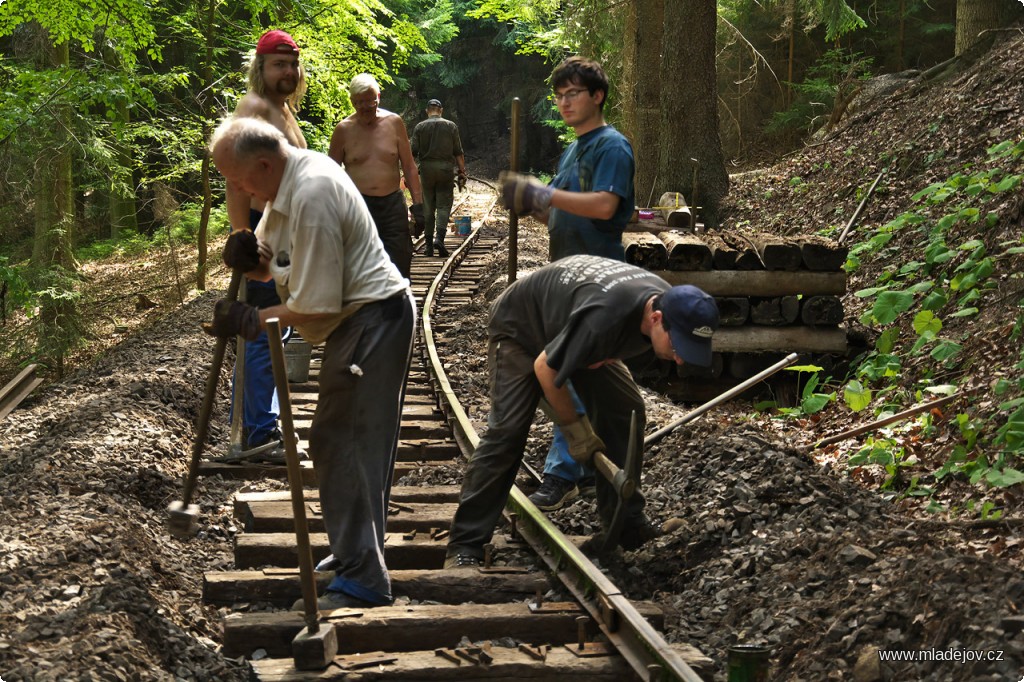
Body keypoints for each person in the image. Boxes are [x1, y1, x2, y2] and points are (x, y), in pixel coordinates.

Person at [208, 116, 415, 609]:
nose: (237, 189)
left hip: (373, 320)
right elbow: (281, 265)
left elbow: (315, 304)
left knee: (346, 441)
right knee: (341, 439)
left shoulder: (313, 192)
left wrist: (250, 319)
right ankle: (356, 552)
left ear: (262, 164)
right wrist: (244, 255)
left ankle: (364, 576)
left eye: (238, 180)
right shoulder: (287, 187)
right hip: (358, 320)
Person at [443, 255, 719, 568]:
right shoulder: (606, 317)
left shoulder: (669, 304)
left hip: (572, 327)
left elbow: (599, 342)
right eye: (678, 346)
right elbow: (546, 367)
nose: (681, 359)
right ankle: (465, 544)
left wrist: (596, 358)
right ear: (656, 318)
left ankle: (627, 525)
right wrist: (578, 433)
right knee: (508, 431)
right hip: (521, 330)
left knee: (626, 409)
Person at [500, 56, 636, 511]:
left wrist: (544, 192)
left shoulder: (611, 146)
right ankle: (582, 468)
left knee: (568, 369)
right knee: (569, 372)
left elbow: (602, 206)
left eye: (573, 94)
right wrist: (531, 203)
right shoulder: (574, 148)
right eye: (559, 96)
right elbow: (560, 211)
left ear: (597, 96)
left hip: (599, 281)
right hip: (569, 276)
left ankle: (567, 473)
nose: (564, 103)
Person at [222, 29, 308, 456]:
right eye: (279, 64)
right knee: (264, 328)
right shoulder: (255, 108)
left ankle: (259, 425)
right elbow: (236, 180)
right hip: (263, 231)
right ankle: (259, 431)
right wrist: (243, 236)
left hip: (284, 234)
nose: (288, 71)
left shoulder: (284, 111)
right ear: (261, 68)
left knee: (278, 329)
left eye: (292, 63)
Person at [327, 73, 422, 278]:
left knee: (400, 261)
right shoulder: (343, 130)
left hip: (392, 206)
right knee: (361, 268)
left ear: (378, 96)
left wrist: (418, 204)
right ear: (352, 101)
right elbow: (330, 176)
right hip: (358, 207)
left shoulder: (394, 123)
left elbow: (409, 166)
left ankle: (397, 306)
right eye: (360, 102)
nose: (366, 107)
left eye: (370, 101)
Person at [410, 98, 467, 257]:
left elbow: (412, 153)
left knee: (428, 205)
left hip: (427, 170)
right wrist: (462, 171)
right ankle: (439, 239)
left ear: (427, 111)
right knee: (443, 205)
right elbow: (458, 152)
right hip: (445, 170)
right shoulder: (451, 126)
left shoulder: (420, 127)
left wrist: (409, 175)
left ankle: (428, 247)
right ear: (441, 110)